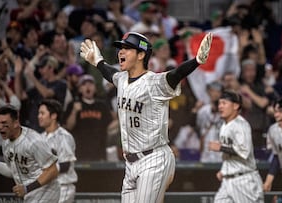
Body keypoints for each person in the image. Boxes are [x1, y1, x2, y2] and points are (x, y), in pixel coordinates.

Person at [80, 31, 213, 203]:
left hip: (154, 159)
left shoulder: (153, 82)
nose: (121, 52)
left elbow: (175, 75)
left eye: (127, 48)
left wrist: (196, 61)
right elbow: (109, 73)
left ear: (141, 54)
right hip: (131, 163)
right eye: (121, 48)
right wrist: (98, 62)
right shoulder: (121, 79)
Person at [0, 105, 60, 202]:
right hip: (31, 194)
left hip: (47, 192)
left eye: (4, 123)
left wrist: (27, 188)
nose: (0, 127)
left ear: (15, 123)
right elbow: (12, 171)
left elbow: (53, 170)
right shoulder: (6, 142)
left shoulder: (33, 141)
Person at [208, 90, 264, 203]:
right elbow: (229, 153)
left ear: (235, 106)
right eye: (219, 103)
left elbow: (244, 151)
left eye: (224, 103)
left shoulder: (241, 125)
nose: (220, 107)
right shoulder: (224, 125)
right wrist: (224, 170)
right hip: (228, 180)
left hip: (244, 180)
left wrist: (220, 147)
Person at [38, 99, 77, 203]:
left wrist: (46, 170)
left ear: (53, 116)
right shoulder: (40, 138)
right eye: (39, 113)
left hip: (63, 187)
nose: (39, 117)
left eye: (42, 113)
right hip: (46, 189)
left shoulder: (64, 137)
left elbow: (66, 165)